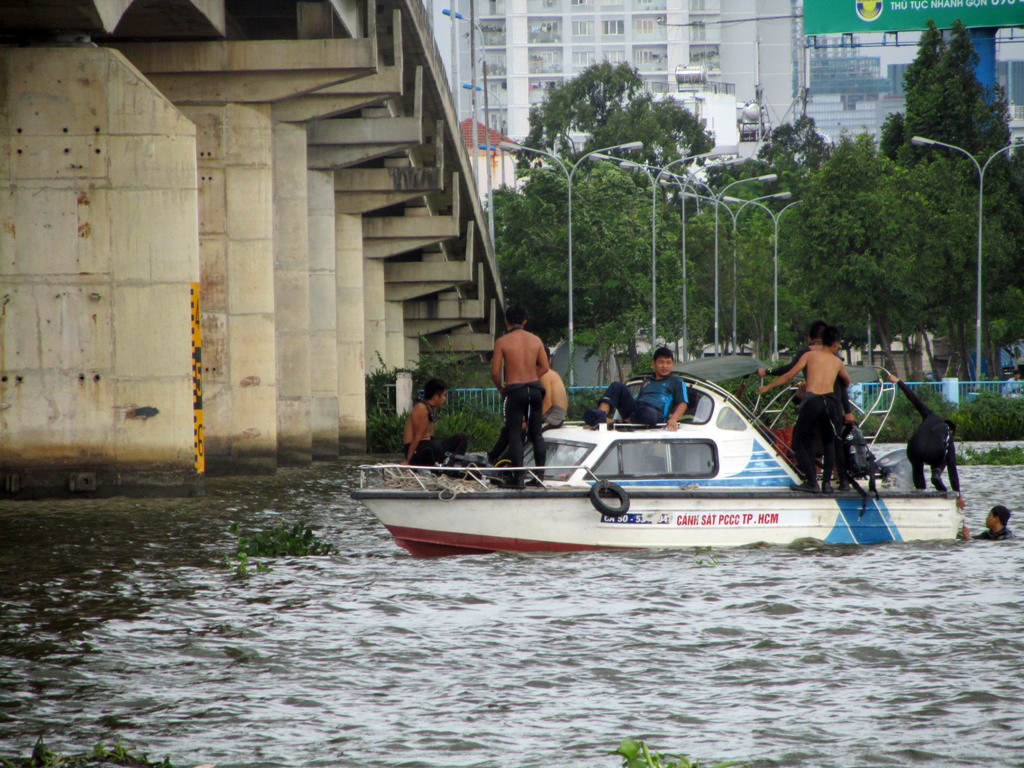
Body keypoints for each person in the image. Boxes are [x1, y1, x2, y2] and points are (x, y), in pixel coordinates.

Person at [758, 319, 854, 489]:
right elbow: (846, 382)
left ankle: (811, 481)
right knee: (829, 441)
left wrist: (768, 386)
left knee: (799, 442)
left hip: (814, 401)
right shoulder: (837, 361)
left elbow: (788, 374)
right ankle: (826, 484)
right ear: (836, 344)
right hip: (831, 403)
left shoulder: (809, 355)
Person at [887, 373, 964, 510]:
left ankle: (920, 495)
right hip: (933, 453)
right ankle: (936, 472)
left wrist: (899, 381)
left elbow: (914, 400)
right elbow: (952, 468)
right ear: (951, 429)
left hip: (913, 448)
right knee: (946, 457)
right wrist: (958, 494)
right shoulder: (948, 433)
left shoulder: (930, 415)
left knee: (918, 468)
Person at [491, 305, 549, 486]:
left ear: (507, 321)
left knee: (515, 434)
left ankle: (518, 478)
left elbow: (494, 372)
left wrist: (502, 388)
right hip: (535, 390)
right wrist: (531, 378)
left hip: (515, 391)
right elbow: (545, 367)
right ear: (524, 321)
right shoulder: (536, 340)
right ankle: (539, 478)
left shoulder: (502, 342)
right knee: (537, 434)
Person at [488, 347, 567, 464]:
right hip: (548, 413)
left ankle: (502, 464)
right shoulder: (543, 374)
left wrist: (530, 422)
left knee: (525, 435)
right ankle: (492, 457)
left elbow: (547, 401)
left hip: (552, 416)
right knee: (509, 429)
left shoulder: (545, 374)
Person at [584, 347, 688, 431]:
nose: (665, 366)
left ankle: (620, 423)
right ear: (654, 363)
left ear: (672, 365)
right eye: (661, 362)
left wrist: (673, 419)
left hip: (655, 413)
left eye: (668, 363)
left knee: (646, 412)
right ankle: (599, 418)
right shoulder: (647, 381)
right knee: (616, 385)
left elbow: (683, 403)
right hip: (637, 409)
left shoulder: (677, 382)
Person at [402, 378, 468, 466]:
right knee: (434, 445)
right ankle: (436, 468)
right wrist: (407, 461)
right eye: (444, 395)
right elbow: (417, 436)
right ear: (436, 397)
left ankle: (452, 468)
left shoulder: (431, 408)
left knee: (461, 438)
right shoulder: (420, 408)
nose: (445, 398)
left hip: (430, 448)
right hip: (418, 452)